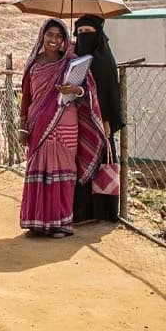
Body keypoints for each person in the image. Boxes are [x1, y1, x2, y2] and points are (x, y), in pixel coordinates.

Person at [18, 19, 108, 238]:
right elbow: (26, 99)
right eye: (50, 34)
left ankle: (61, 223)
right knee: (39, 171)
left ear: (64, 40)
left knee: (65, 173)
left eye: (59, 36)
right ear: (42, 36)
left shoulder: (72, 63)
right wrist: (22, 126)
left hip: (67, 122)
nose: (54, 40)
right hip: (39, 124)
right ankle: (38, 222)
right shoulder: (33, 65)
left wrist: (74, 90)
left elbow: (87, 92)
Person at [72, 14, 125, 222]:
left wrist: (107, 120)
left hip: (101, 122)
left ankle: (103, 212)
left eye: (89, 32)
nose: (84, 36)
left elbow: (110, 91)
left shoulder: (104, 60)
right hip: (78, 121)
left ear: (98, 34)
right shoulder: (74, 58)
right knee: (79, 163)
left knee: (103, 163)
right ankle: (81, 211)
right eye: (80, 32)